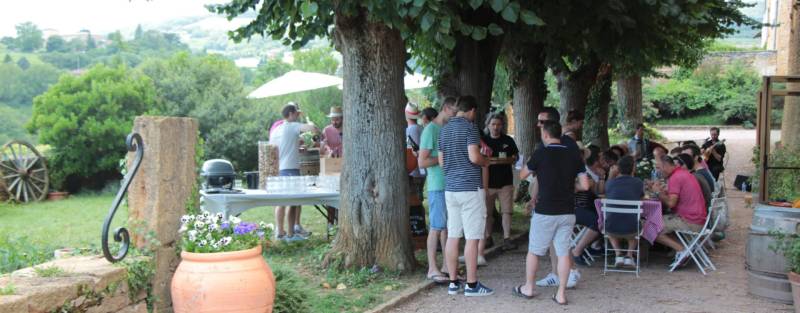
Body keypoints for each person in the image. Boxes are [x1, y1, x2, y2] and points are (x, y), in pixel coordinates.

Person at [515, 121, 590, 304]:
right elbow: (586, 185)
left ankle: (529, 288)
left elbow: (522, 175)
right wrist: (570, 185)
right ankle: (561, 294)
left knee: (534, 251)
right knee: (563, 252)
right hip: (567, 211)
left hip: (545, 210)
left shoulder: (542, 152)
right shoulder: (573, 154)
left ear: (546, 134)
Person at [438, 95, 494, 296]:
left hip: (450, 189)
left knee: (453, 236)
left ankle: (453, 282)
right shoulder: (470, 128)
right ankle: (472, 285)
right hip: (470, 189)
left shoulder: (443, 130)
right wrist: (485, 160)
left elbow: (442, 163)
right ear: (472, 110)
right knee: (472, 238)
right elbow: (473, 156)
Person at [531, 106, 583, 289]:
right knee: (555, 240)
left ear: (552, 123)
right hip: (548, 199)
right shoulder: (544, 146)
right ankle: (555, 273)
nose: (538, 125)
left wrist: (569, 187)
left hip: (562, 201)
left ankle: (572, 271)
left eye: (542, 122)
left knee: (560, 240)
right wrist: (534, 196)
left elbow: (576, 173)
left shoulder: (567, 144)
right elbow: (540, 175)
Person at [418, 97, 457, 284]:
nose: (456, 116)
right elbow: (422, 161)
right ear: (447, 108)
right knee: (436, 227)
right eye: (455, 112)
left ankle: (447, 267)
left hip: (449, 184)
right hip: (436, 186)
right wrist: (443, 158)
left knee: (446, 228)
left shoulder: (446, 129)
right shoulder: (430, 130)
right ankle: (432, 268)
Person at [270, 103, 319, 241]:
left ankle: (280, 232)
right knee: (293, 202)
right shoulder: (292, 126)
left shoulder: (277, 129)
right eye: (296, 114)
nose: (297, 116)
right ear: (291, 114)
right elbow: (314, 129)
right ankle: (291, 234)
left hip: (279, 169)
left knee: (281, 202)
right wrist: (307, 119)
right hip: (291, 169)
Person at [651, 154, 708, 267]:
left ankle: (682, 250)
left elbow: (671, 203)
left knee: (651, 225)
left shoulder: (675, 178)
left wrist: (658, 192)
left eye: (658, 168)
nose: (657, 171)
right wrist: (664, 192)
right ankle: (683, 251)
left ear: (665, 166)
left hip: (691, 221)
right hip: (698, 218)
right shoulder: (683, 173)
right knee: (658, 222)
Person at [482, 112, 519, 252]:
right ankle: (488, 237)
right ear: (488, 125)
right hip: (487, 183)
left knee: (507, 211)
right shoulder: (483, 140)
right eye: (493, 124)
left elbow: (515, 157)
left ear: (502, 126)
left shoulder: (508, 140)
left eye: (498, 124)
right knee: (486, 213)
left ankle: (507, 238)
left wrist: (507, 159)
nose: (496, 127)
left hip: (505, 182)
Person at [603, 155, 645, 267]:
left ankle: (618, 255)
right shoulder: (638, 182)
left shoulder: (610, 183)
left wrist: (611, 176)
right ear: (633, 168)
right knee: (636, 220)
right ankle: (629, 255)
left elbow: (605, 191)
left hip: (610, 228)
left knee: (610, 219)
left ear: (618, 168)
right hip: (632, 229)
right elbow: (641, 198)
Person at [570, 149, 606, 267]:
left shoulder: (583, 172)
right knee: (599, 221)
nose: (582, 159)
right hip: (573, 209)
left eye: (582, 157)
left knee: (605, 219)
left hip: (587, 208)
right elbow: (580, 187)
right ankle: (577, 251)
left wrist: (601, 178)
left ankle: (590, 247)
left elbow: (597, 191)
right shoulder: (569, 171)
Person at [406, 102, 426, 199]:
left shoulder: (412, 129)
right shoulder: (420, 128)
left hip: (415, 171)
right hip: (420, 170)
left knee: (415, 198)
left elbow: (414, 150)